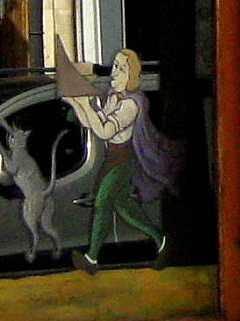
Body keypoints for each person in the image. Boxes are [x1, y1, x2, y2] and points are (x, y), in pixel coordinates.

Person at [71, 48, 177, 268]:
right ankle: (162, 241)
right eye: (115, 67)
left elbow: (104, 131)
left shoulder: (131, 104)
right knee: (123, 206)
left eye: (121, 69)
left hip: (123, 159)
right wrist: (78, 103)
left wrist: (85, 104)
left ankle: (91, 258)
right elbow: (93, 122)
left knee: (102, 202)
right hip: (112, 157)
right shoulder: (113, 96)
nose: (114, 73)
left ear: (131, 75)